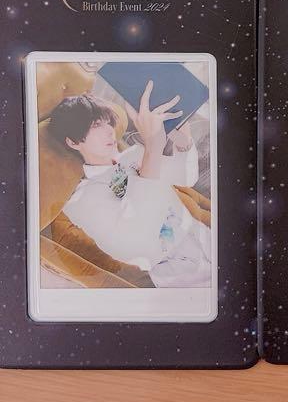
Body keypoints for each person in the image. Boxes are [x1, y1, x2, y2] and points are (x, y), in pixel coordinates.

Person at [47, 81, 212, 288]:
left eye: (108, 122)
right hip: (178, 270)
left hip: (203, 235)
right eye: (96, 125)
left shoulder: (134, 154)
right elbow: (136, 241)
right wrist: (153, 147)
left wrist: (183, 137)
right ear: (73, 142)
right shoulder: (80, 201)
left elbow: (185, 178)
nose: (109, 131)